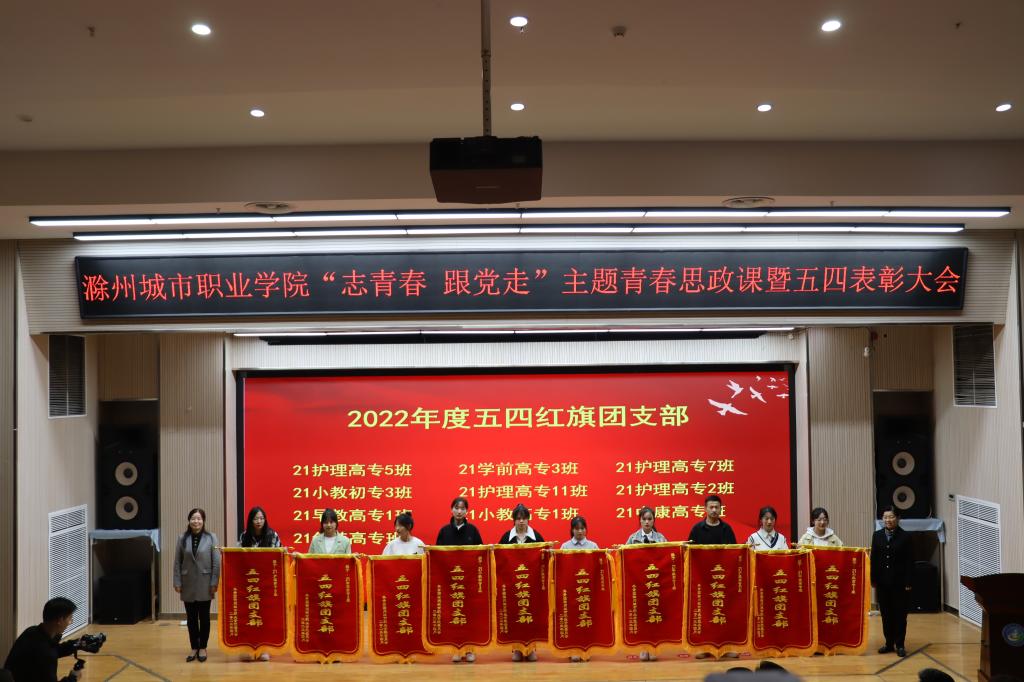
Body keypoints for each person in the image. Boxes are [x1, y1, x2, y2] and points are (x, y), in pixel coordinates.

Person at [435, 496, 483, 662]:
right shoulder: (444, 531)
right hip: (450, 583)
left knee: (469, 616)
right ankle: (455, 649)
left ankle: (469, 650)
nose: (459, 511)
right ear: (451, 510)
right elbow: (438, 555)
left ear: (467, 511)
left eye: (462, 508)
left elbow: (480, 553)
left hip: (468, 582)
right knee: (453, 615)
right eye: (456, 508)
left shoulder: (473, 531)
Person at [173, 507, 220, 663]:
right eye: (193, 518)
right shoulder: (182, 538)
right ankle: (194, 647)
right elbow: (177, 562)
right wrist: (177, 581)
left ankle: (203, 647)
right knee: (191, 618)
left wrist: (214, 582)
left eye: (199, 518)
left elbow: (216, 562)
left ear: (203, 521)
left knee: (204, 618)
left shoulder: (211, 537)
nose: (196, 521)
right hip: (187, 583)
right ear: (189, 520)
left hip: (205, 584)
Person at [3, 597, 81, 681]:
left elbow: (53, 649)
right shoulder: (45, 653)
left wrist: (78, 643)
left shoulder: (31, 631)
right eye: (70, 619)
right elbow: (47, 653)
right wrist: (72, 678)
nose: (70, 622)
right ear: (60, 620)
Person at [237, 506, 279, 661]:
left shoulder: (273, 535)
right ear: (251, 520)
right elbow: (238, 557)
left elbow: (278, 557)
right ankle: (249, 648)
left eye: (261, 518)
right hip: (249, 583)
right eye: (256, 518)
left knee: (265, 616)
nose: (259, 521)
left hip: (266, 583)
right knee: (249, 615)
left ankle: (264, 649)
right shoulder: (244, 536)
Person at [871, 506, 914, 657]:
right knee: (886, 613)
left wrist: (909, 582)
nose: (888, 520)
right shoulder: (877, 535)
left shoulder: (905, 537)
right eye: (885, 517)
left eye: (891, 517)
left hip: (900, 583)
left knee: (900, 614)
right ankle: (889, 643)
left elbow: (910, 561)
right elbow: (874, 559)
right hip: (883, 583)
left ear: (898, 518)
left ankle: (900, 644)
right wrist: (873, 579)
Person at [625, 506, 666, 661]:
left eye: (650, 519)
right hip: (640, 583)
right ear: (640, 520)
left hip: (655, 583)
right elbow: (625, 557)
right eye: (644, 519)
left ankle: (654, 647)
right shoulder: (633, 538)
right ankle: (643, 647)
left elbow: (668, 556)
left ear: (654, 520)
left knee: (655, 615)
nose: (647, 522)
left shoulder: (661, 538)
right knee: (642, 615)